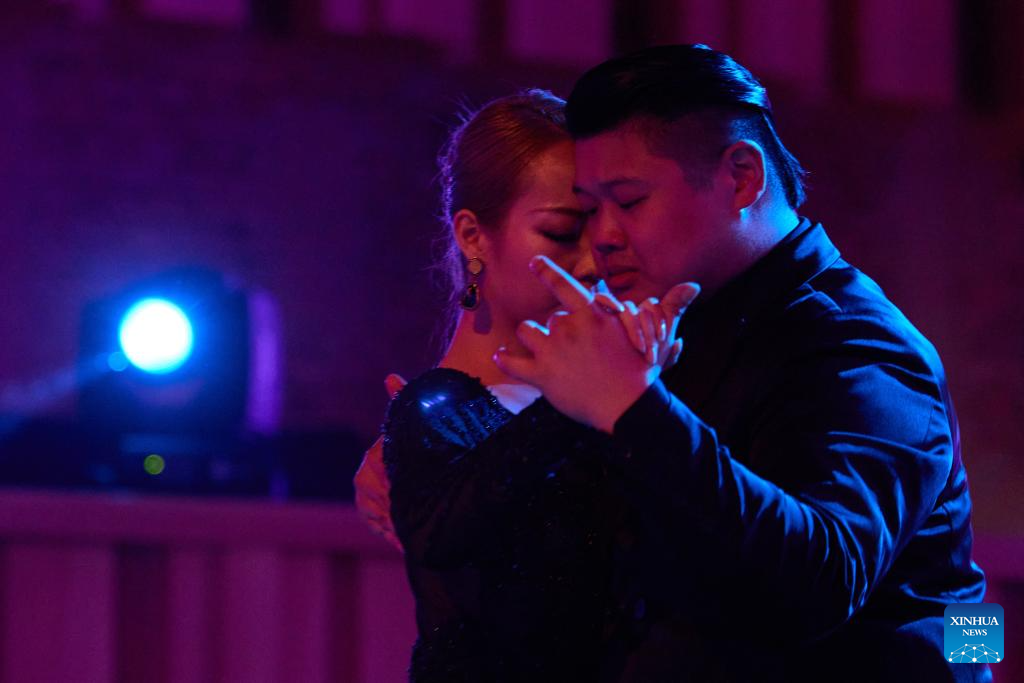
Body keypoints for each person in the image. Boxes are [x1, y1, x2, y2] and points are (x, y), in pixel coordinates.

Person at [489, 45, 989, 682]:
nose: (602, 237)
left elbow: (821, 583)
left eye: (629, 201)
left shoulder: (858, 343)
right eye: (589, 210)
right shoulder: (678, 322)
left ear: (742, 178)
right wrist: (429, 462)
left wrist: (635, 410)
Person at [375, 89, 697, 681]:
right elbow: (450, 536)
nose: (593, 262)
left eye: (604, 232)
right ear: (473, 236)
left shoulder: (629, 390)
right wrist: (595, 392)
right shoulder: (436, 409)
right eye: (562, 232)